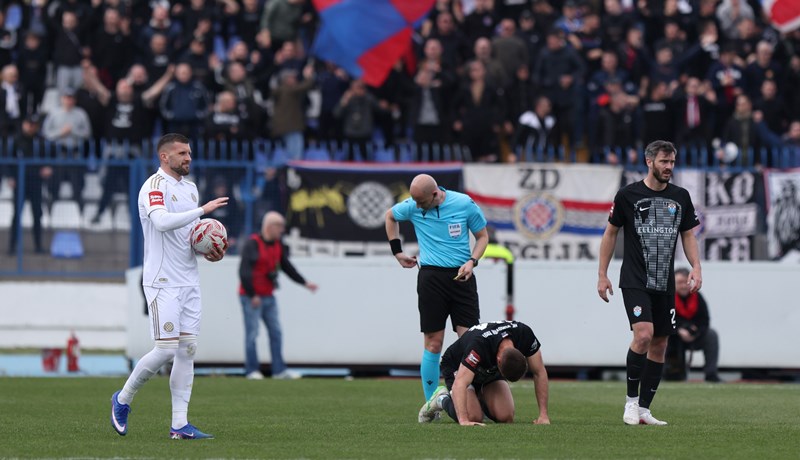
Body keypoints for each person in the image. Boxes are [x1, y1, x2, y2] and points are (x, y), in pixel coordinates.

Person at [110, 133, 229, 440]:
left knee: (187, 349)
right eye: (182, 153)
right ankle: (122, 400)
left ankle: (179, 425)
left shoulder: (189, 188)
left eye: (189, 152)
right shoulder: (154, 186)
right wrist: (204, 210)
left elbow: (187, 236)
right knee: (165, 349)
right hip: (162, 280)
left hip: (189, 279)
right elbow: (162, 222)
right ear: (165, 157)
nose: (188, 157)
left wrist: (207, 250)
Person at [597, 139, 703, 426]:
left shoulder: (680, 196)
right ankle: (630, 403)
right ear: (649, 162)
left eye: (672, 162)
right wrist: (602, 274)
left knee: (659, 344)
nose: (669, 167)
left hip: (664, 281)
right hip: (634, 279)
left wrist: (696, 267)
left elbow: (689, 235)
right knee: (643, 335)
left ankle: (644, 409)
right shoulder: (628, 195)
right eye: (663, 162)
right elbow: (610, 233)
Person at [384, 173, 489, 411]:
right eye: (415, 202)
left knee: (469, 341)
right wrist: (397, 252)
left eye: (421, 202)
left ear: (435, 194)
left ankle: (469, 394)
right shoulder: (413, 205)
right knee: (433, 343)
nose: (418, 207)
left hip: (462, 277)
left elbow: (482, 237)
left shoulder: (463, 203)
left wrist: (472, 260)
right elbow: (390, 216)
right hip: (431, 277)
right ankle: (433, 402)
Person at [418, 320, 549, 425]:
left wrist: (543, 415)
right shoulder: (479, 346)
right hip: (458, 365)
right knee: (473, 417)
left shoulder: (524, 334)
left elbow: (540, 372)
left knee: (505, 417)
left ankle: (479, 401)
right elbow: (460, 383)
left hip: (488, 368)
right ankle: (441, 399)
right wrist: (464, 421)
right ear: (498, 361)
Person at [238, 211, 318, 380]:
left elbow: (287, 267)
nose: (282, 230)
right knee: (252, 334)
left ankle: (279, 370)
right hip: (252, 297)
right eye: (279, 226)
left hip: (268, 296)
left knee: (276, 333)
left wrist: (305, 283)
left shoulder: (277, 245)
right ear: (269, 227)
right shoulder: (252, 244)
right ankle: (252, 370)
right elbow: (244, 272)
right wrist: (252, 295)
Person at [667, 267, 721, 382]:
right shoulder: (668, 298)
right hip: (675, 337)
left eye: (685, 282)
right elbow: (664, 319)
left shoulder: (698, 297)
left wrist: (695, 333)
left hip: (695, 336)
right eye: (679, 283)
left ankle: (711, 374)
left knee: (711, 335)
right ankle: (672, 373)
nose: (683, 286)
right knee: (664, 337)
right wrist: (679, 331)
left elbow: (704, 321)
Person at [7, 114, 48, 255]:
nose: (31, 127)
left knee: (37, 214)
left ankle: (38, 246)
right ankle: (12, 247)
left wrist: (47, 167)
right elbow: (8, 161)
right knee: (17, 215)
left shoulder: (41, 141)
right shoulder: (16, 140)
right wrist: (11, 177)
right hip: (20, 182)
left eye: (34, 125)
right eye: (29, 124)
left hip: (36, 182)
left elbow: (49, 158)